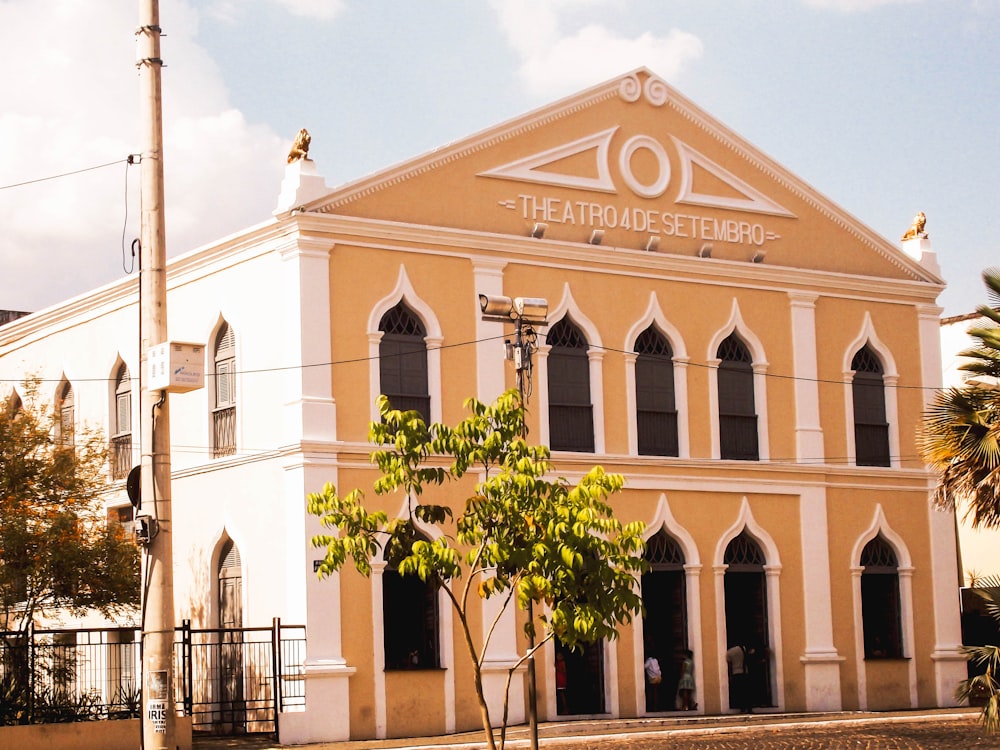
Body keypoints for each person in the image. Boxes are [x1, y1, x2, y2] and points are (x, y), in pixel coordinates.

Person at [726, 643, 751, 713]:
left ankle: (741, 707)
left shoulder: (729, 652)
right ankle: (748, 707)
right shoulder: (744, 649)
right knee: (746, 691)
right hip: (744, 672)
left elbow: (729, 665)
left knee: (739, 691)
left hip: (735, 673)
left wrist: (730, 675)